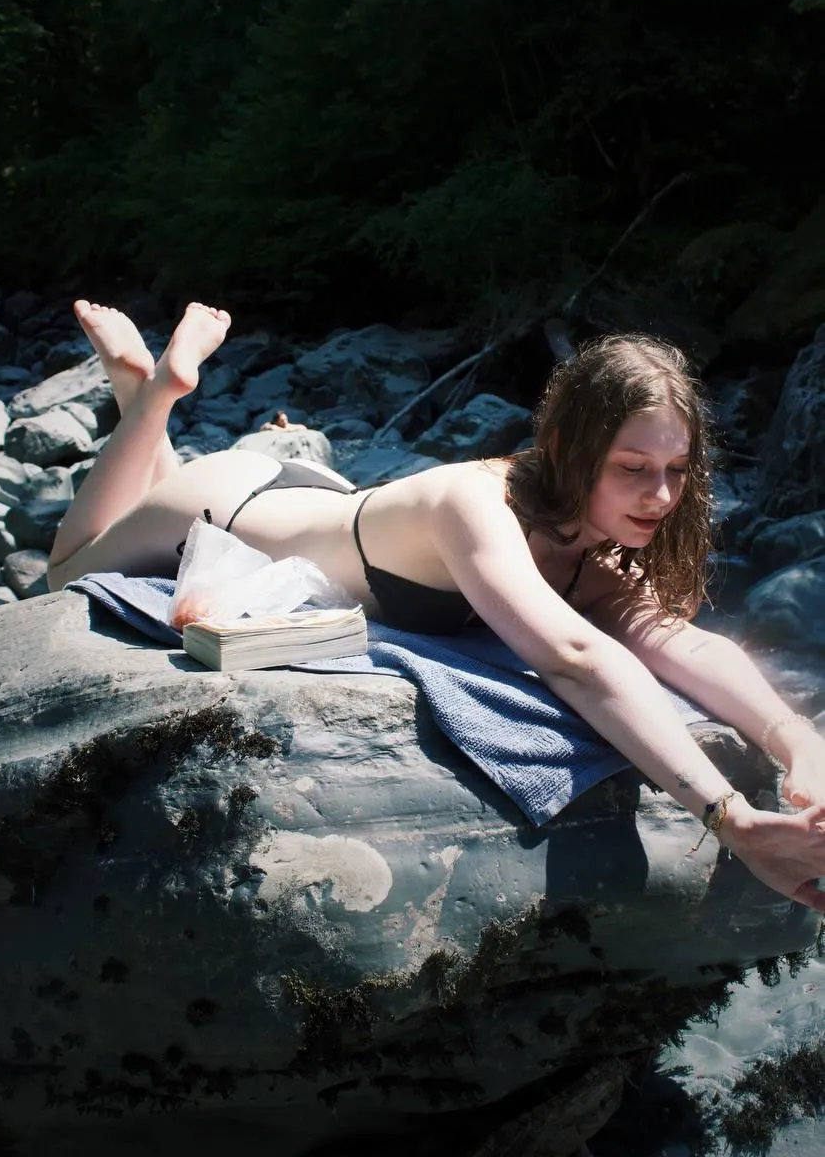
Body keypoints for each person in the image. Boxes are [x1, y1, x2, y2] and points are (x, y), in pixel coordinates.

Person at [48, 298, 825, 911]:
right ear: (565, 450)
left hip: (330, 509)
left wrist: (797, 742)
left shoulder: (589, 537)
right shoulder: (472, 502)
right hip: (227, 502)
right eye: (631, 468)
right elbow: (576, 658)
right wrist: (728, 819)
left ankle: (139, 391)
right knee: (65, 574)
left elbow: (678, 644)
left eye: (674, 468)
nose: (659, 494)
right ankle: (150, 398)